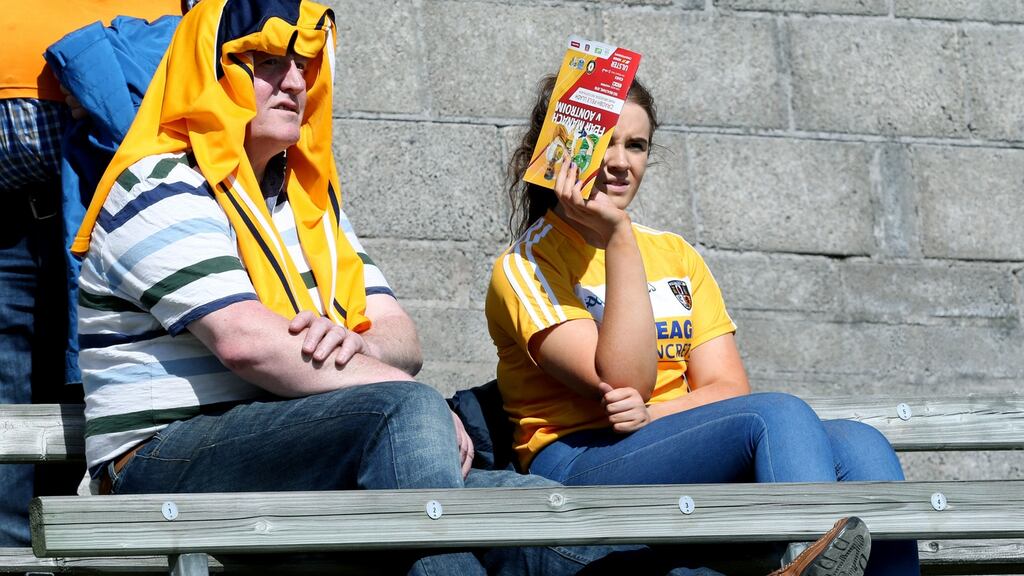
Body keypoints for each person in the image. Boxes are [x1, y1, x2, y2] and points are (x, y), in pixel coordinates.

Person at [486, 74, 919, 575]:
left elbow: (727, 387)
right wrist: (619, 238)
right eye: (605, 142)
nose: (621, 162)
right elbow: (626, 380)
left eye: (637, 145)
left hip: (668, 439)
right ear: (565, 150)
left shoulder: (675, 254)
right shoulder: (525, 266)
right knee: (775, 415)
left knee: (861, 444)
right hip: (580, 462)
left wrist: (654, 415)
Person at [0, 0, 184, 548]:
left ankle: (64, 554)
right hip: (8, 218)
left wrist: (102, 67)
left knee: (96, 396)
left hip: (115, 212)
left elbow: (219, 29)